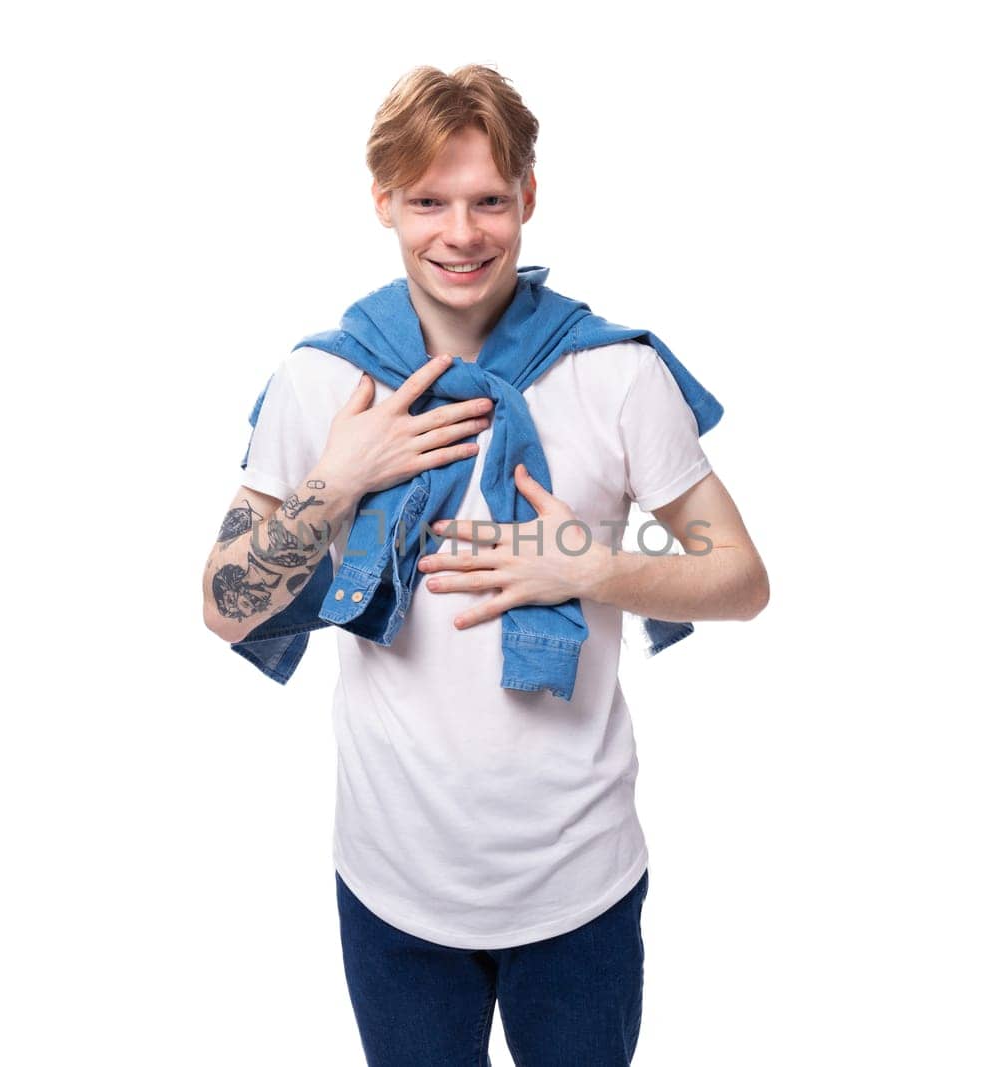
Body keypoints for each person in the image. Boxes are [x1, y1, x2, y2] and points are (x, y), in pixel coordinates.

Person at [202, 64, 768, 1067]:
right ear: (382, 200)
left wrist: (595, 564)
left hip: (578, 877)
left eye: (487, 200)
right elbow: (226, 604)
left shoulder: (618, 373)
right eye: (427, 200)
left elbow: (740, 578)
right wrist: (337, 479)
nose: (459, 233)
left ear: (527, 199)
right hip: (392, 879)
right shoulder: (321, 381)